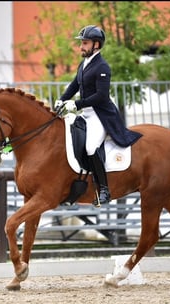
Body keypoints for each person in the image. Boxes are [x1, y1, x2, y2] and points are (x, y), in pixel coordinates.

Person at [54, 25, 142, 205]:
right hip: (85, 113)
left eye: (85, 43)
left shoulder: (103, 67)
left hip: (100, 115)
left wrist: (75, 103)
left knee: (91, 147)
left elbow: (101, 96)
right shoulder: (84, 64)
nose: (81, 47)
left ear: (96, 44)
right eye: (82, 43)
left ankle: (104, 190)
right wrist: (62, 99)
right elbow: (74, 85)